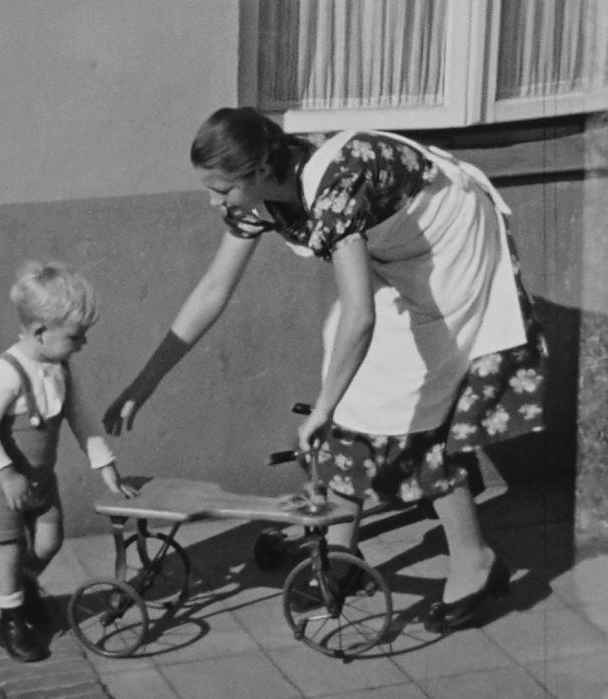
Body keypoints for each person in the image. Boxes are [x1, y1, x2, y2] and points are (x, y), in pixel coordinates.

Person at [103, 107, 547, 633]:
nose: (213, 201)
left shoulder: (336, 187)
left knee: (404, 401)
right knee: (345, 362)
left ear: (261, 170)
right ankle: (340, 555)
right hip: (395, 253)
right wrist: (145, 382)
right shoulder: (260, 196)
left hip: (450, 247)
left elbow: (362, 315)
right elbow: (213, 290)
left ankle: (475, 563)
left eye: (222, 189)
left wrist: (323, 408)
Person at [0, 260, 136, 662]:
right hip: (1, 484)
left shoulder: (61, 368)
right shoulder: (6, 373)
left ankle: (20, 590)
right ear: (41, 332)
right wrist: (7, 476)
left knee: (51, 539)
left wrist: (107, 469)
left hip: (41, 479)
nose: (82, 344)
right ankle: (10, 621)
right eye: (76, 336)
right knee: (8, 550)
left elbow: (82, 420)